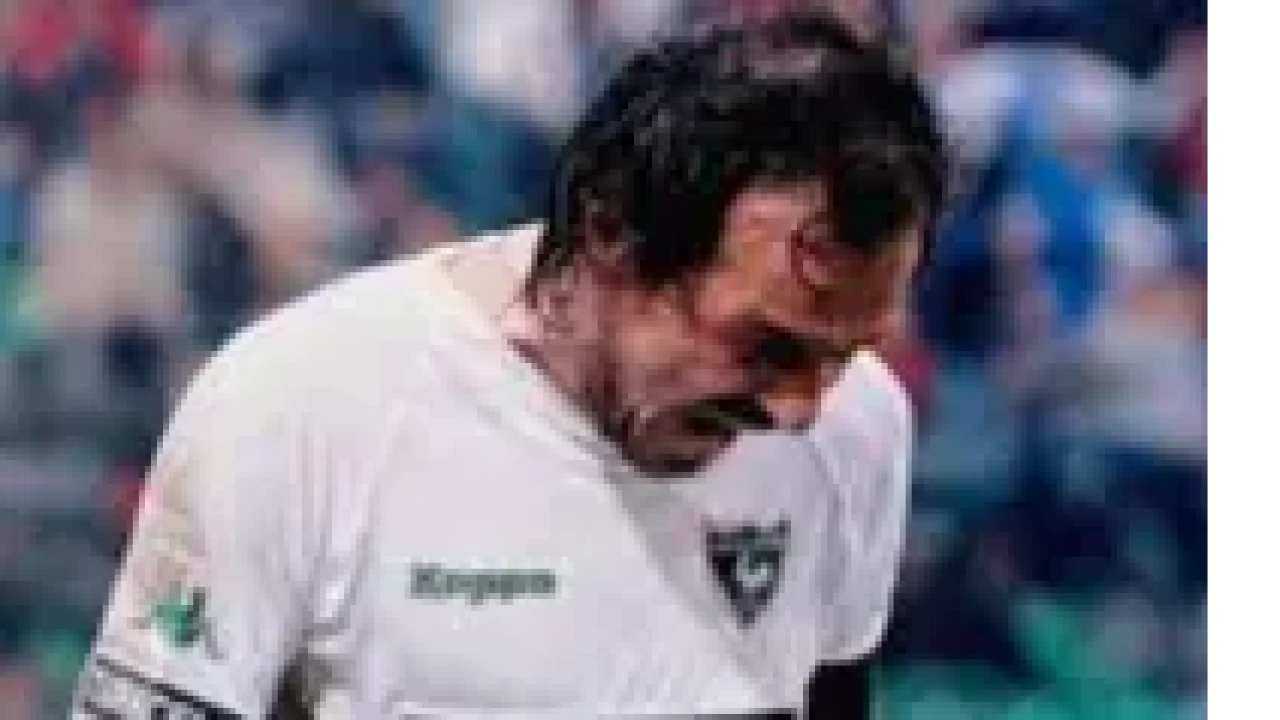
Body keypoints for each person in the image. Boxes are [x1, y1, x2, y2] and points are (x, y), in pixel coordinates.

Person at [73, 11, 947, 718]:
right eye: (765, 347)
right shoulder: (297, 407)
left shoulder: (858, 427)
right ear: (612, 233)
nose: (801, 409)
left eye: (842, 354)